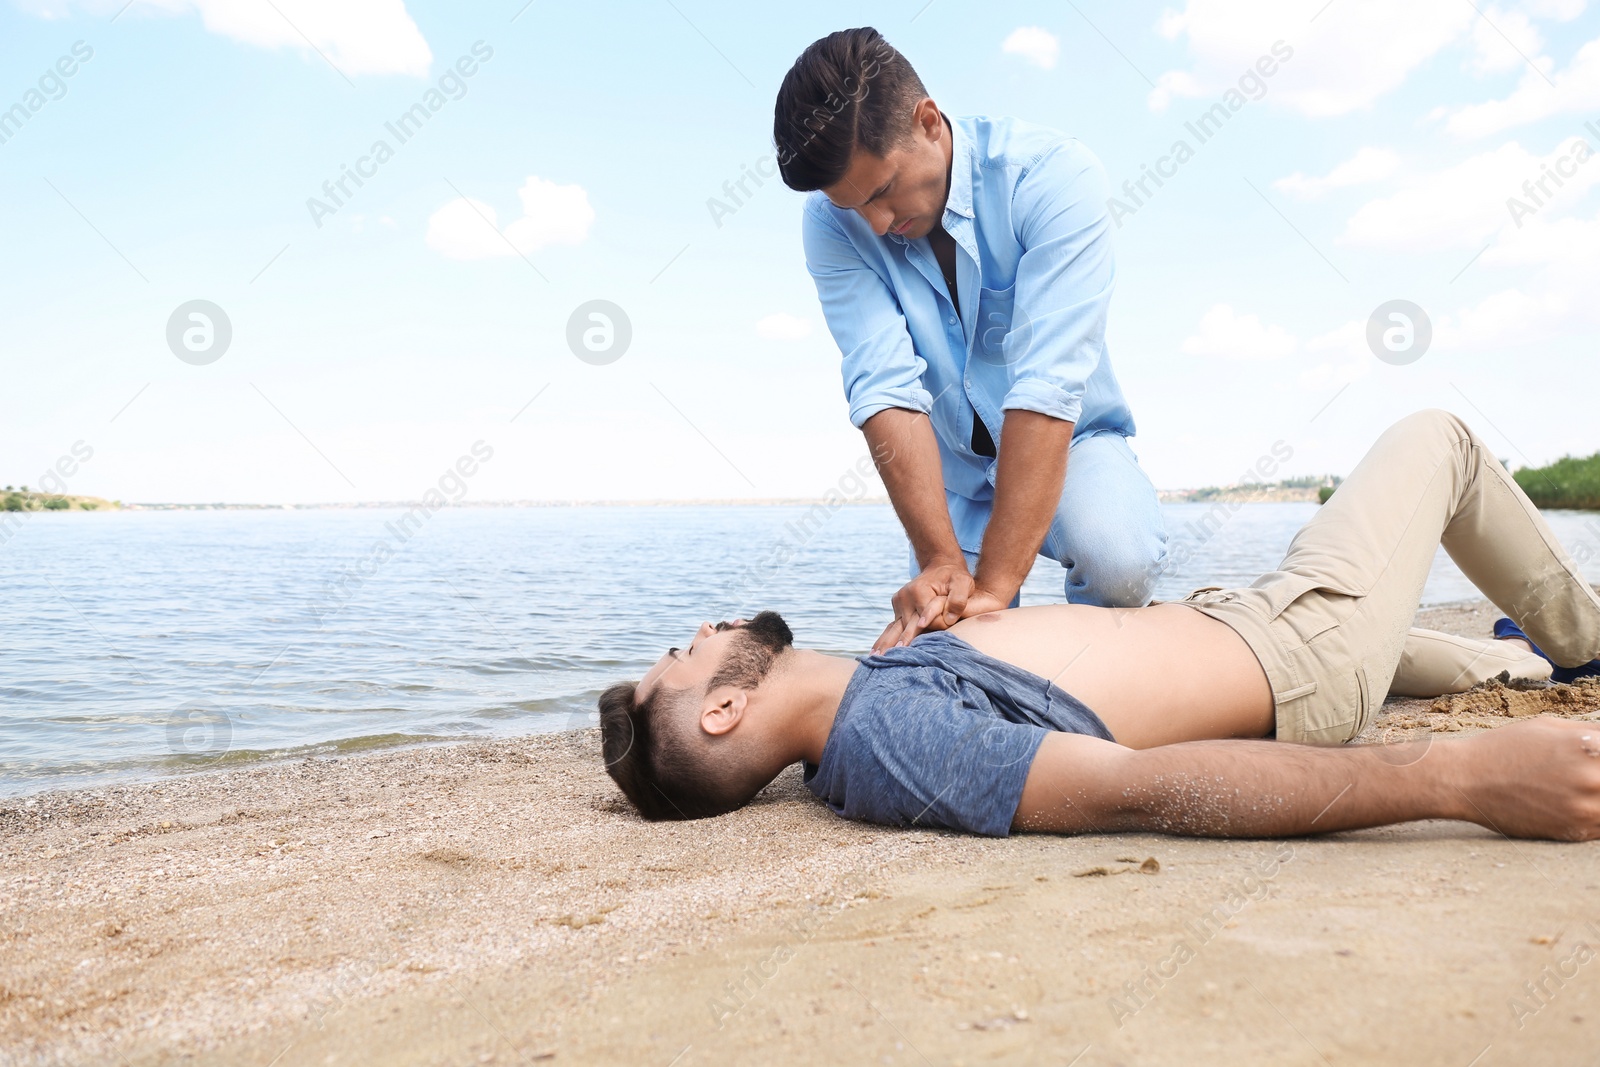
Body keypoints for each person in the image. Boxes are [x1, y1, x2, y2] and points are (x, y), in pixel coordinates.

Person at [597, 411, 1600, 841]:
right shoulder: (887, 741)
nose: (702, 624)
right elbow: (1142, 790)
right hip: (1297, 653)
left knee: (1483, 658)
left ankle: (1514, 658)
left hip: (1242, 624)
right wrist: (1455, 778)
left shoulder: (865, 701)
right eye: (684, 654)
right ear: (726, 706)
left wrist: (964, 616)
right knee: (1440, 440)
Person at [774, 28, 1168, 653]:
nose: (876, 224)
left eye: (881, 191)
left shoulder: (1052, 177)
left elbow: (1047, 384)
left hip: (1072, 445)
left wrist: (995, 590)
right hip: (951, 474)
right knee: (943, 648)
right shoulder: (831, 222)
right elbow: (884, 387)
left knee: (1121, 562)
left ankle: (1093, 678)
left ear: (928, 121)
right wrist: (940, 562)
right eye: (855, 208)